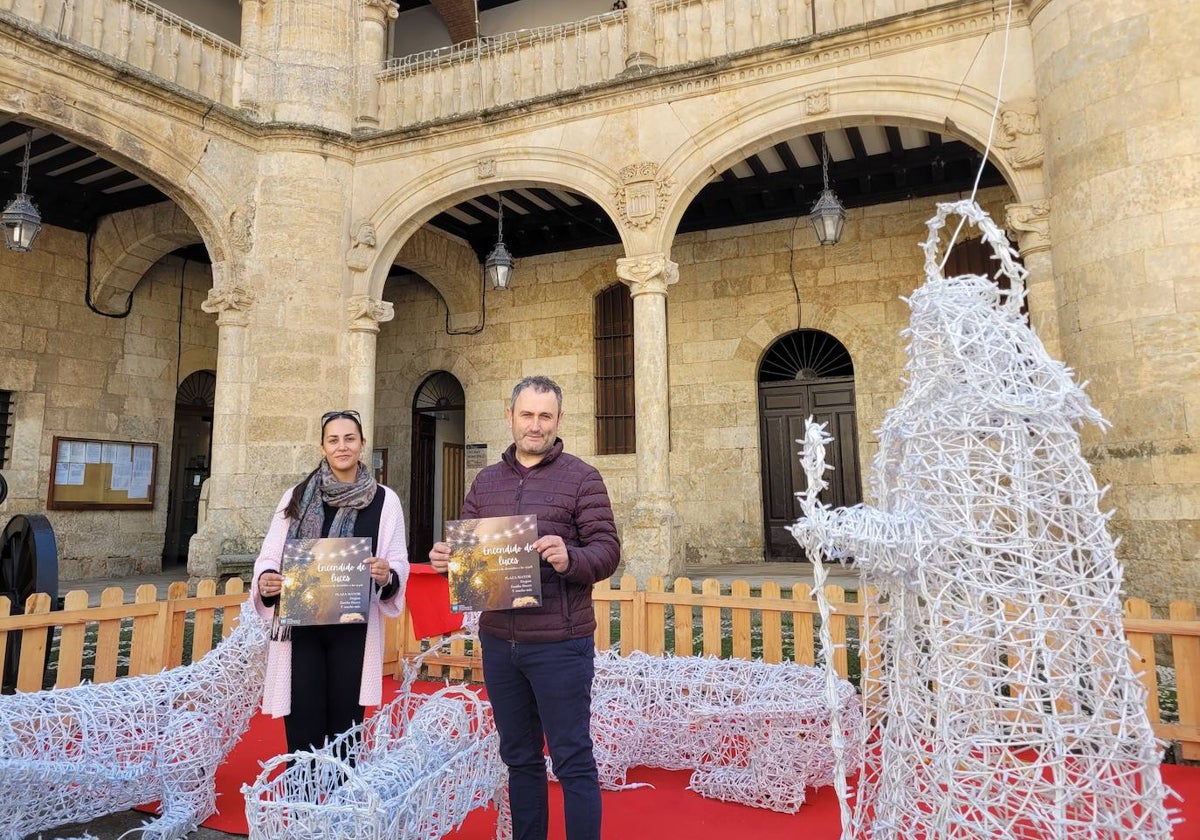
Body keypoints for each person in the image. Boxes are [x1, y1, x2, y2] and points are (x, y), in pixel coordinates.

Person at [430, 375, 620, 840]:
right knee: (520, 759)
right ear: (511, 417)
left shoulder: (582, 477)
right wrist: (447, 561)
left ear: (557, 420)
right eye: (527, 415)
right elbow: (472, 555)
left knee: (573, 759)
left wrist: (571, 557)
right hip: (499, 643)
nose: (535, 425)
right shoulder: (486, 481)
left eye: (545, 416)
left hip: (561, 644)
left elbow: (608, 550)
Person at [250, 409, 408, 756]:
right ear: (322, 446)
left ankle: (340, 804)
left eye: (349, 439)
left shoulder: (385, 500)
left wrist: (387, 575)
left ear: (362, 444)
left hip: (354, 630)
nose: (342, 447)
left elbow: (397, 561)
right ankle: (303, 803)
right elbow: (270, 556)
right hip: (302, 629)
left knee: (346, 731)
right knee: (302, 725)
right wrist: (266, 581)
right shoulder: (297, 496)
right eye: (333, 440)